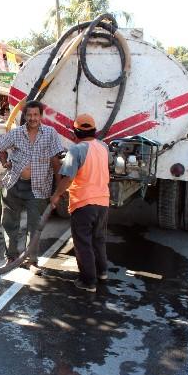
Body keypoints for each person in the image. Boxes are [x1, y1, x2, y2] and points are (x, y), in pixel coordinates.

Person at [0, 100, 64, 274]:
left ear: (41, 116)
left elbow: (56, 162)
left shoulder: (50, 134)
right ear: (24, 116)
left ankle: (31, 260)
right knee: (10, 223)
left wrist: (57, 189)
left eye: (36, 114)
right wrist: (4, 162)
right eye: (29, 115)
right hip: (14, 184)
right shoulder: (17, 133)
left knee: (34, 226)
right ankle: (10, 257)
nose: (32, 118)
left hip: (39, 187)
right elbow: (0, 145)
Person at [50, 114, 110, 293]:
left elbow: (68, 178)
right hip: (103, 201)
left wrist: (56, 195)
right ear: (94, 130)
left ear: (75, 131)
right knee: (98, 239)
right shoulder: (104, 147)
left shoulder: (76, 150)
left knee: (83, 242)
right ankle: (102, 273)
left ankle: (88, 281)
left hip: (84, 202)